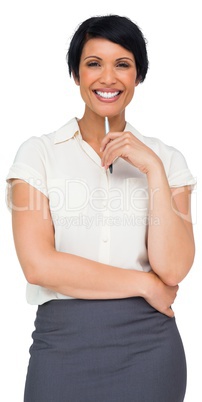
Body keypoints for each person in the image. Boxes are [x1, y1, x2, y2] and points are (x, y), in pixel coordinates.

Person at [6, 14, 196, 402]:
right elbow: (39, 265)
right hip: (61, 344)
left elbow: (174, 268)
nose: (107, 78)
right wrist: (144, 284)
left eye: (122, 64)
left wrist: (153, 171)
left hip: (149, 348)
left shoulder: (167, 159)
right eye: (94, 64)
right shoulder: (38, 154)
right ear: (76, 75)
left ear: (138, 76)